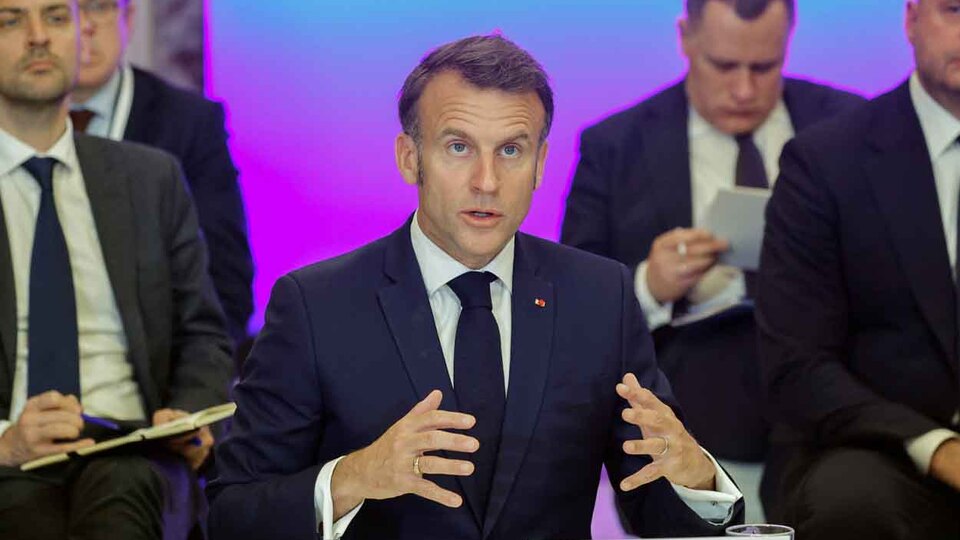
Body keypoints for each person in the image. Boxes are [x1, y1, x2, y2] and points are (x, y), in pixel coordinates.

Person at [208, 34, 745, 540]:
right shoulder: (316, 306)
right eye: (459, 147)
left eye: (511, 151)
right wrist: (352, 478)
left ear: (540, 164)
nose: (486, 181)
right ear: (409, 158)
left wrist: (698, 478)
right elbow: (231, 513)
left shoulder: (600, 296)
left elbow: (656, 507)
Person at [561, 0, 863, 462]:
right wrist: (649, 285)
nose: (743, 90)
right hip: (689, 404)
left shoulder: (851, 126)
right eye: (723, 66)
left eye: (764, 67)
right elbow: (571, 307)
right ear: (685, 38)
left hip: (835, 394)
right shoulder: (615, 146)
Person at [0, 1, 233, 538]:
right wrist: (6, 442)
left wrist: (189, 410)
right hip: (11, 458)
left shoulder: (149, 179)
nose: (38, 36)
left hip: (133, 449)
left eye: (56, 17)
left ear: (81, 34)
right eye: (11, 20)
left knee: (122, 489)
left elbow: (203, 332)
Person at [756, 0, 960, 537]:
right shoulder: (825, 161)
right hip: (874, 447)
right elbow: (797, 365)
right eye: (955, 9)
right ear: (912, 18)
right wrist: (940, 448)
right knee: (852, 503)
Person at [71, 0, 253, 346]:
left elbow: (226, 289)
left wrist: (197, 375)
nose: (84, 26)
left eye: (98, 6)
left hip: (156, 365)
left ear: (128, 17)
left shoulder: (188, 124)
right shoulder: (12, 122)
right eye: (63, 12)